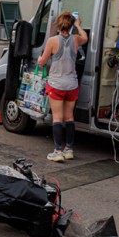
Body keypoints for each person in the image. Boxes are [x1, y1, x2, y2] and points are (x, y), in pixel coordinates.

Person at [37, 10, 88, 162]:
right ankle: (69, 149)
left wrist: (39, 59)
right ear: (71, 25)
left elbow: (42, 62)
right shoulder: (76, 39)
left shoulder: (52, 41)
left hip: (56, 84)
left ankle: (58, 151)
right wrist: (78, 26)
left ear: (59, 25)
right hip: (72, 84)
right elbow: (86, 37)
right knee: (69, 117)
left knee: (57, 117)